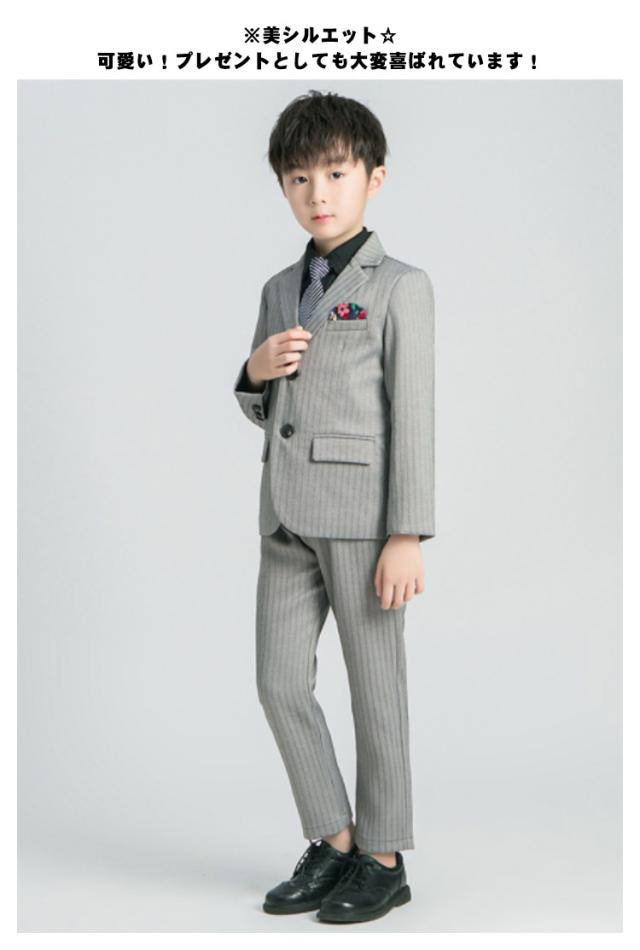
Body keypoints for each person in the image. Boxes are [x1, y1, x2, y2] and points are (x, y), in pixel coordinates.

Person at [233, 89, 435, 925]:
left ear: (374, 178)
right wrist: (252, 373)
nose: (318, 192)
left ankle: (383, 859)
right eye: (299, 177)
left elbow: (413, 414)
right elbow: (268, 406)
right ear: (284, 185)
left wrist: (407, 532)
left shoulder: (400, 287)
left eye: (336, 173)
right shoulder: (280, 287)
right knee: (279, 682)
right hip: (284, 516)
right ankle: (335, 839)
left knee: (375, 689)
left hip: (363, 518)